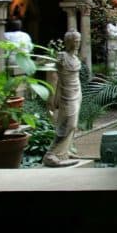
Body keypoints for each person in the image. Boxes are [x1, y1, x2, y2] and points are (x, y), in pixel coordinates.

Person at [43, 31, 82, 167]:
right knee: (67, 125)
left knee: (74, 124)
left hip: (77, 92)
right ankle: (50, 155)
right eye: (75, 41)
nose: (77, 43)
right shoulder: (62, 57)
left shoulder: (75, 58)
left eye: (78, 40)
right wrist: (52, 97)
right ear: (68, 42)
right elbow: (53, 76)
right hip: (67, 94)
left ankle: (64, 152)